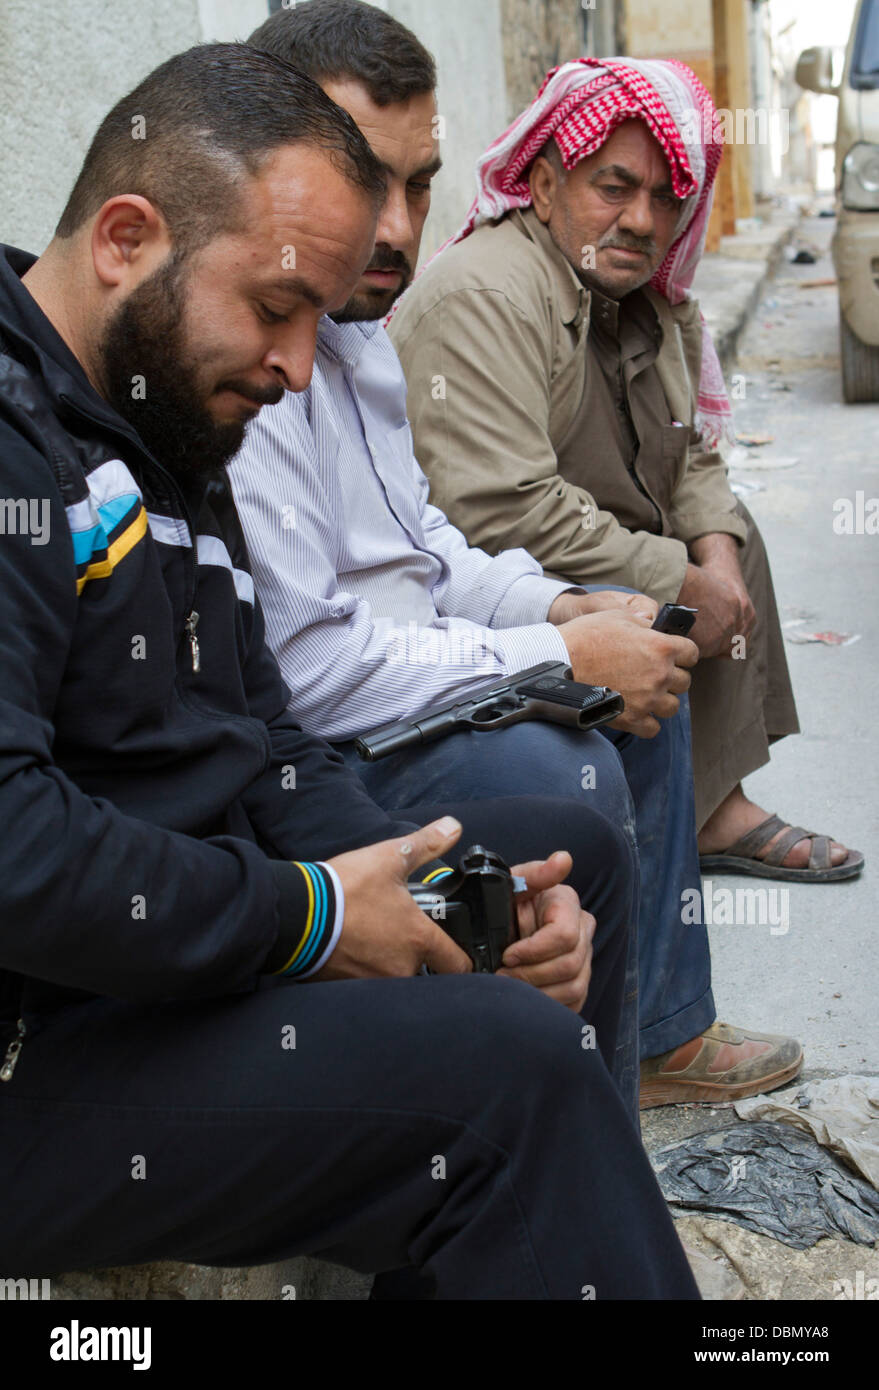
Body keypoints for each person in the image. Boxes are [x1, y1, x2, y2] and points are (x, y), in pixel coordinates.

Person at [0, 40, 701, 1300]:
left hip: (153, 969)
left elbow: (263, 736)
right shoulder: (21, 458)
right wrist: (313, 918)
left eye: (315, 322)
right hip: (39, 1048)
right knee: (511, 1080)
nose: (298, 366)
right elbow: (16, 849)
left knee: (551, 862)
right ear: (124, 239)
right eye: (274, 310)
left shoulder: (161, 427)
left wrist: (459, 891)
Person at [230, 0, 803, 1109]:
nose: (393, 228)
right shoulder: (271, 353)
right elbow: (319, 660)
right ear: (542, 182)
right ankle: (570, 1103)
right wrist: (555, 657)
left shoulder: (356, 338)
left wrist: (568, 611)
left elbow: (427, 547)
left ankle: (650, 1040)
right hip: (338, 731)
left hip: (422, 656)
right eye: (362, 182)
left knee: (644, 668)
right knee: (573, 763)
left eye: (416, 184)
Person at [391, 55, 863, 884]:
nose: (642, 220)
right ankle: (669, 829)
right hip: (496, 577)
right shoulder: (487, 294)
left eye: (664, 196)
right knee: (668, 595)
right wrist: (676, 576)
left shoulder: (652, 298)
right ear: (541, 188)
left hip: (594, 530)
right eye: (612, 188)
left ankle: (712, 803)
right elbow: (501, 509)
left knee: (732, 539)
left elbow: (689, 455)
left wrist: (710, 557)